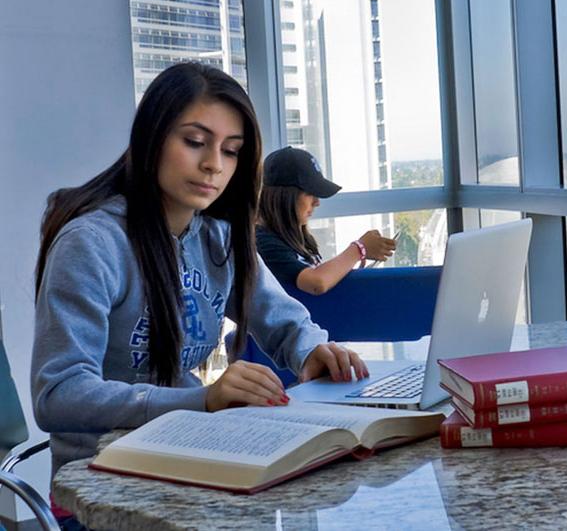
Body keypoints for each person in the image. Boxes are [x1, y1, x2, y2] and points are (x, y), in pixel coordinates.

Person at [30, 64, 367, 521]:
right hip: (103, 483)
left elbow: (284, 322)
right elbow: (59, 393)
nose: (214, 164)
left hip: (191, 462)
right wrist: (200, 400)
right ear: (151, 139)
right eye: (194, 142)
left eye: (231, 151)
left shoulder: (219, 238)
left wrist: (312, 352)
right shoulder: (92, 243)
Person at [256, 146, 397, 295]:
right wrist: (359, 249)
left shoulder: (297, 239)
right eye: (310, 193)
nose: (317, 202)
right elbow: (316, 283)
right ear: (284, 196)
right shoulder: (263, 243)